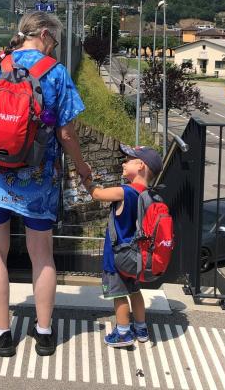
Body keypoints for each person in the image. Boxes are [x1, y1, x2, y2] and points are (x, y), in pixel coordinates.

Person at [0, 12, 92, 358]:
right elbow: (66, 133)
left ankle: (2, 334)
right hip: (39, 177)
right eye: (56, 40)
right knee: (42, 254)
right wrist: (82, 168)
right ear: (45, 34)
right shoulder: (56, 73)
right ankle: (45, 334)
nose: (56, 47)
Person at [85, 144, 163, 347]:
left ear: (140, 165)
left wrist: (86, 179)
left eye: (128, 160)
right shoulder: (150, 195)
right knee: (134, 291)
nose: (123, 163)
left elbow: (97, 194)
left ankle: (123, 333)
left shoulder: (125, 192)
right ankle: (141, 328)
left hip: (117, 257)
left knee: (119, 295)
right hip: (137, 257)